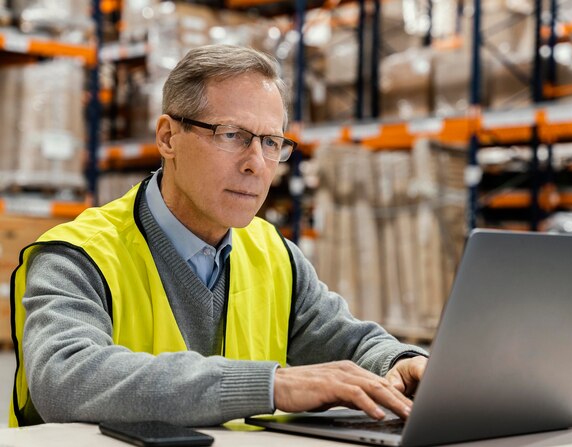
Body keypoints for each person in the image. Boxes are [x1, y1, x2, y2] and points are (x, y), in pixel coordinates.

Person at [9, 44, 428, 428]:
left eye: (270, 142)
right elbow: (65, 379)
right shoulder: (76, 256)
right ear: (168, 137)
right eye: (232, 135)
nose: (256, 164)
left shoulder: (275, 255)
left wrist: (401, 362)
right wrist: (271, 386)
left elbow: (350, 343)